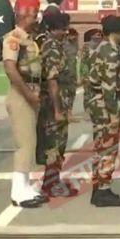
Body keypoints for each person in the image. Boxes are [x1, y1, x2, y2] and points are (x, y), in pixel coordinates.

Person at [0, 0, 56, 209]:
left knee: (30, 142)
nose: (38, 18)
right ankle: (18, 192)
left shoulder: (29, 39)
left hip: (30, 92)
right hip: (22, 94)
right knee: (24, 143)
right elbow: (10, 68)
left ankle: (24, 186)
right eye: (35, 14)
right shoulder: (13, 37)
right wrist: (29, 94)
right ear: (25, 15)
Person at [86, 15, 120, 207]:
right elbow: (109, 86)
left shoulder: (99, 48)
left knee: (100, 146)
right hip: (106, 105)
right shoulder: (110, 52)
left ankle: (98, 187)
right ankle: (103, 191)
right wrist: (113, 112)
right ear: (115, 33)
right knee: (108, 148)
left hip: (96, 103)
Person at [36, 11, 79, 198]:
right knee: (54, 145)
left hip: (61, 102)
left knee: (59, 144)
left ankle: (52, 181)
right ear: (53, 28)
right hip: (54, 105)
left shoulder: (58, 45)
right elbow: (52, 80)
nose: (66, 31)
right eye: (63, 29)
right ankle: (51, 184)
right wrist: (58, 110)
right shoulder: (52, 47)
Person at [61, 27, 79, 122]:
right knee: (64, 94)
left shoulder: (75, 44)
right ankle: (65, 113)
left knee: (72, 93)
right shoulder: (63, 44)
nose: (74, 38)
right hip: (65, 72)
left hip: (73, 71)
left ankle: (70, 112)